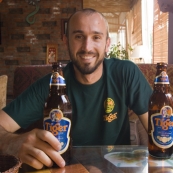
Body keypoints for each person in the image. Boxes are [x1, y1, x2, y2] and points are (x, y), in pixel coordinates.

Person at [0, 8, 152, 169]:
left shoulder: (126, 73)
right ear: (66, 41)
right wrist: (12, 142)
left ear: (107, 44)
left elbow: (160, 126)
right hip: (64, 168)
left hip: (116, 168)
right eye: (79, 37)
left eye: (96, 37)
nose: (87, 47)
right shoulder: (51, 84)